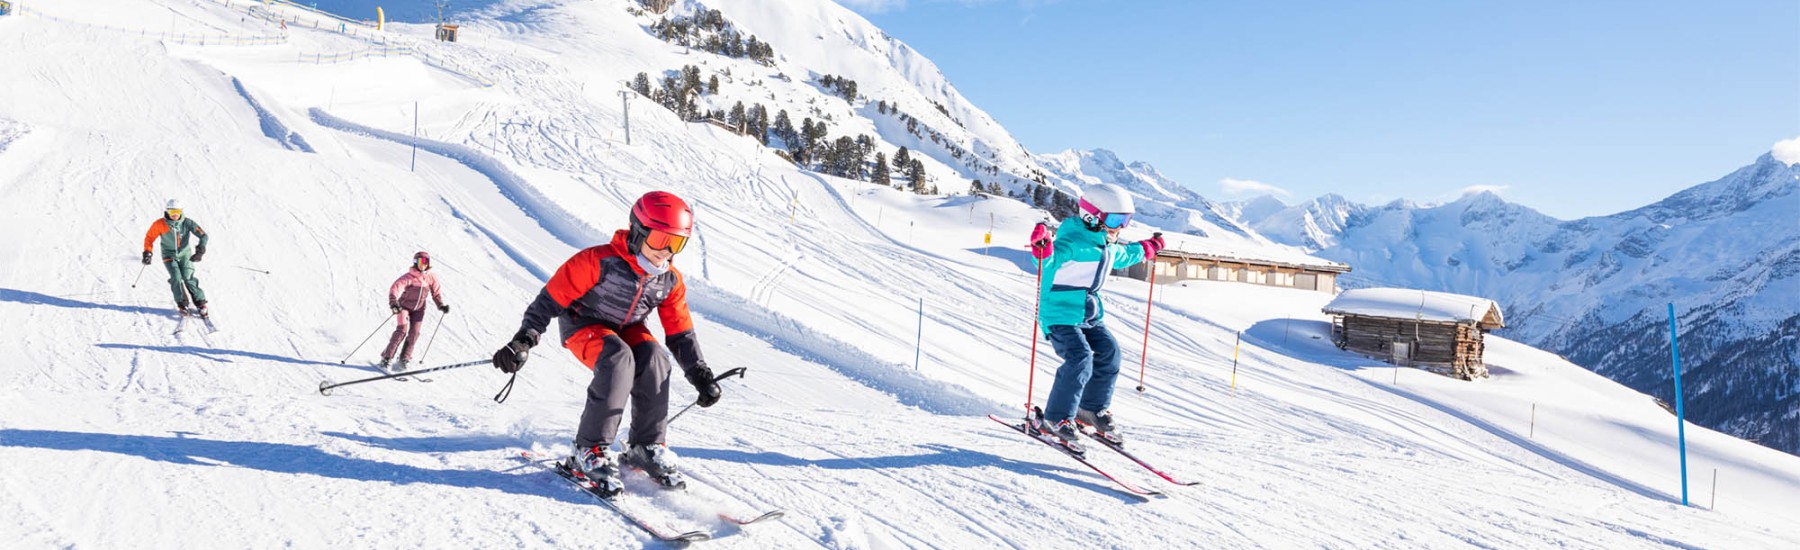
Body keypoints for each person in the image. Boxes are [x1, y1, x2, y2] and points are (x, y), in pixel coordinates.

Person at [491, 191, 723, 497]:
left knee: (655, 358)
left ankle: (646, 445)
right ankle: (588, 450)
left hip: (627, 328)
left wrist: (700, 374)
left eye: (676, 243)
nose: (665, 251)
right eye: (658, 239)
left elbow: (680, 332)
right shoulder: (598, 261)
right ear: (639, 231)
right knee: (618, 358)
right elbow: (549, 301)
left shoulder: (669, 280)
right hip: (583, 324)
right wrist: (523, 340)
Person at [1026, 183, 1164, 455]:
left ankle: (1090, 409)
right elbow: (1048, 260)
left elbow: (1127, 254)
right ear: (1092, 216)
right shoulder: (1071, 244)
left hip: (1089, 315)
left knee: (1110, 353)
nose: (1120, 227)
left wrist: (1148, 248)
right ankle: (1057, 417)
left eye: (1126, 220)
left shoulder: (1107, 246)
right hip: (1059, 315)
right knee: (1080, 358)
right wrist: (1041, 250)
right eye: (1115, 220)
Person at [381, 251, 449, 373]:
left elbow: (436, 293)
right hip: (404, 308)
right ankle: (386, 358)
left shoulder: (431, 277)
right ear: (415, 262)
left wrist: (441, 305)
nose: (423, 265)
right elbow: (394, 289)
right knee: (401, 331)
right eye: (420, 262)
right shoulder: (409, 277)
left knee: (414, 333)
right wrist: (394, 303)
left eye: (425, 262)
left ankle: (404, 360)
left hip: (419, 310)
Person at [141, 199, 211, 318]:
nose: (175, 214)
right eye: (172, 211)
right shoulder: (160, 224)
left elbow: (203, 235)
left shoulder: (187, 223)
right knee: (176, 278)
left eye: (177, 211)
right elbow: (149, 238)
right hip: (169, 255)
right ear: (167, 211)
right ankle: (182, 304)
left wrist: (200, 250)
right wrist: (148, 252)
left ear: (181, 211)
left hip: (184, 255)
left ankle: (201, 303)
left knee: (188, 278)